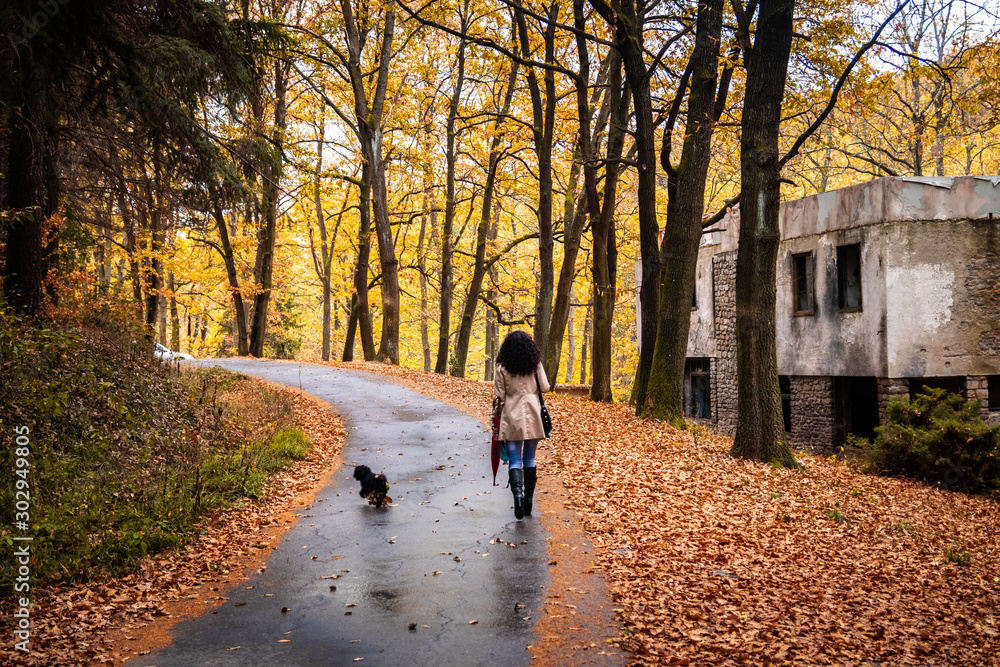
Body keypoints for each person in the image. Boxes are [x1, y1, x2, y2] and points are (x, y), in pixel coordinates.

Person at [493, 330, 550, 519]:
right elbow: (545, 387)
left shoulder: (502, 366)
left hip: (511, 414)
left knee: (515, 460)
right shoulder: (534, 364)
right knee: (530, 459)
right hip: (533, 413)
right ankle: (528, 500)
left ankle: (517, 497)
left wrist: (495, 418)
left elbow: (499, 396)